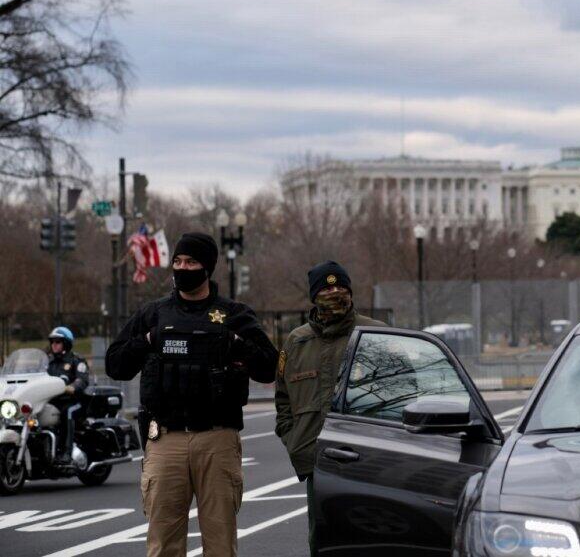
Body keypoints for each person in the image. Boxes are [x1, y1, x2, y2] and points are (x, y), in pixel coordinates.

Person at [106, 232, 278, 557]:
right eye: (178, 261)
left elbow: (270, 367)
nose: (183, 268)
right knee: (163, 544)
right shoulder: (154, 314)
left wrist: (237, 345)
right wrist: (147, 341)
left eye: (191, 262)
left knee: (220, 543)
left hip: (217, 438)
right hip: (165, 439)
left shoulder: (234, 314)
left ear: (208, 268)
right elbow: (115, 365)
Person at [274, 260, 386, 557]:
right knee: (324, 542)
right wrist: (294, 439)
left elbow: (404, 392)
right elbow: (283, 400)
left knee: (375, 540)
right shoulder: (296, 343)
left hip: (372, 460)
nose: (334, 293)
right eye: (326, 289)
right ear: (314, 296)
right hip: (318, 462)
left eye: (340, 288)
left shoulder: (376, 334)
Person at [46, 326, 89, 464]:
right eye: (52, 342)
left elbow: (82, 380)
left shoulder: (76, 360)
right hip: (53, 401)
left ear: (66, 343)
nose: (54, 345)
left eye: (58, 342)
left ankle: (67, 452)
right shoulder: (48, 362)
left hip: (73, 401)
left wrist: (71, 387)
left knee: (68, 412)